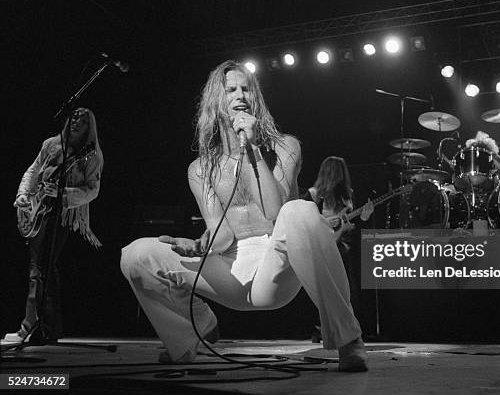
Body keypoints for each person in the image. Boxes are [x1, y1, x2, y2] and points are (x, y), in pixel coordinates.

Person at [120, 60, 368, 371]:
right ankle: (193, 332)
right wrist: (202, 243)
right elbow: (221, 234)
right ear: (215, 101)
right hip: (230, 268)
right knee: (136, 255)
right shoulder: (200, 169)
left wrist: (249, 148)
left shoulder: (285, 147)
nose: (241, 95)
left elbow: (275, 211)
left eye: (246, 88)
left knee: (300, 209)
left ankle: (348, 338)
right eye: (231, 90)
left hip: (277, 262)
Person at [4, 107, 103, 343]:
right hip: (39, 212)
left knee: (41, 269)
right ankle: (47, 328)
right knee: (40, 269)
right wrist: (23, 195)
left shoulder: (91, 155)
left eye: (83, 119)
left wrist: (64, 193)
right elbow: (34, 169)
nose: (76, 121)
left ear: (90, 127)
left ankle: (31, 326)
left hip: (62, 214)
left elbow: (93, 190)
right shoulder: (50, 144)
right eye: (74, 116)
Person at [303, 156, 374, 341]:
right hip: (323, 246)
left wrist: (364, 216)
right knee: (323, 289)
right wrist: (327, 222)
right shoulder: (313, 194)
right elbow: (306, 222)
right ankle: (320, 328)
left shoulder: (348, 194)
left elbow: (355, 220)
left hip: (345, 248)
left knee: (348, 289)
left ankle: (346, 329)